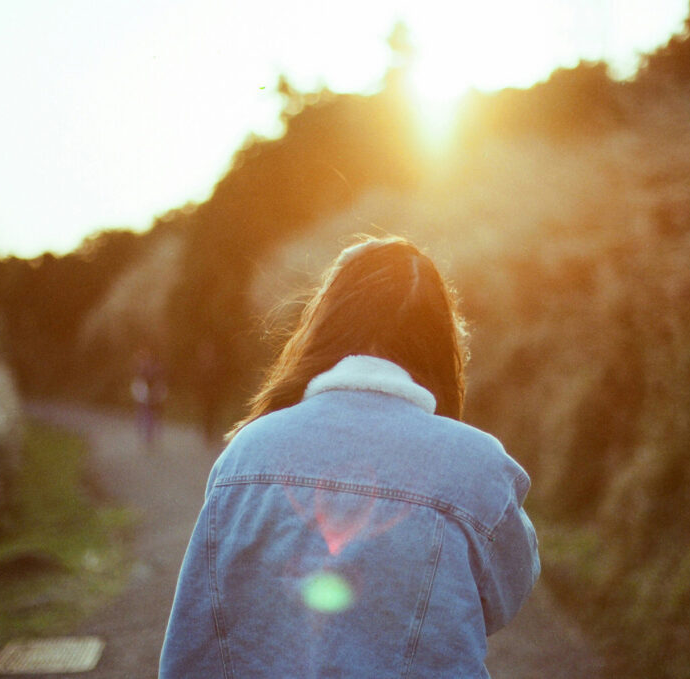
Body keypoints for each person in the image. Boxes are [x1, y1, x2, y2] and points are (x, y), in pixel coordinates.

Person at [160, 236, 539, 678]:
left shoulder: (246, 453)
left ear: (326, 322)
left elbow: (193, 641)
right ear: (440, 343)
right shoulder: (477, 465)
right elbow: (506, 596)